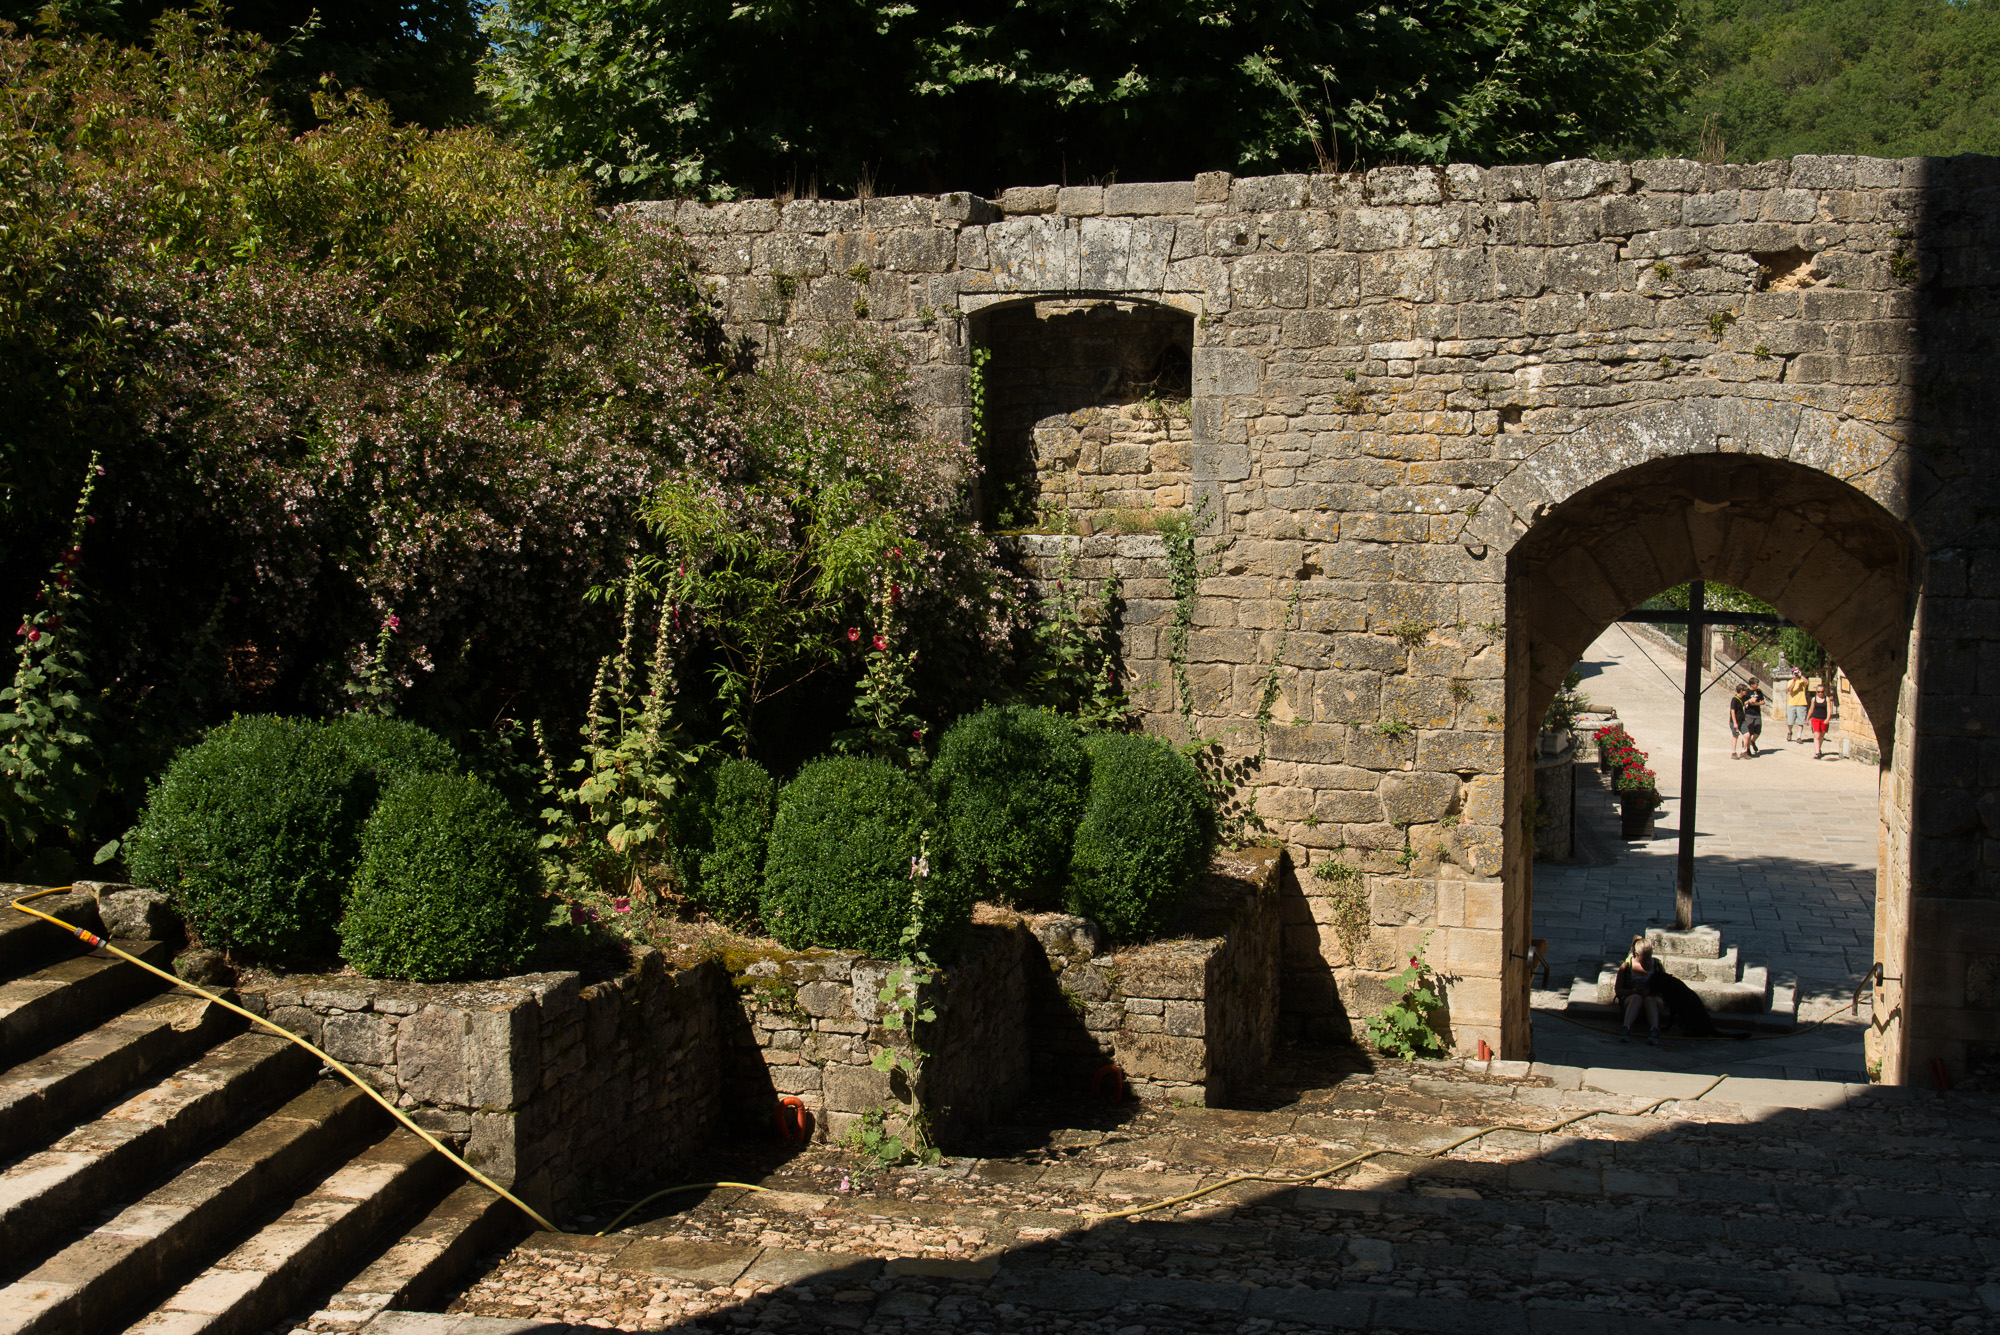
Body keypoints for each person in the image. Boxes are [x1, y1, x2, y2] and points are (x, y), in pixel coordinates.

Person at [1615, 936, 1667, 1045]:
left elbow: (1665, 987)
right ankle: (1626, 1028)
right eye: (1644, 958)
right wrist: (1632, 991)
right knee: (1636, 998)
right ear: (1637, 954)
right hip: (1632, 999)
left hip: (1653, 1000)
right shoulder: (1627, 966)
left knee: (1649, 999)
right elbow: (1618, 990)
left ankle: (1654, 1029)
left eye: (1649, 957)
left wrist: (1651, 991)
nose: (1647, 961)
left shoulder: (1657, 965)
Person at [1786, 667, 1811, 742]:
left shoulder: (1802, 681)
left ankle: (1798, 737)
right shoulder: (1790, 681)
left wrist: (1801, 676)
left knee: (1801, 721)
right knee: (1790, 721)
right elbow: (1790, 689)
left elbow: (1807, 683)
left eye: (1796, 672)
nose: (1796, 674)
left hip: (1801, 703)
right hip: (1792, 703)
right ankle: (1789, 731)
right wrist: (1794, 680)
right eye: (1794, 672)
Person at [1742, 681, 1765, 757]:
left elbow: (1763, 701)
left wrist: (1756, 704)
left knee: (1758, 730)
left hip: (1757, 713)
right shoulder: (1747, 692)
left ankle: (1753, 741)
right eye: (1756, 684)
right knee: (1749, 731)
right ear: (1752, 684)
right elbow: (1743, 703)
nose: (1757, 685)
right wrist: (1749, 702)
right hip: (1749, 713)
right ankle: (1747, 749)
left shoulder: (1759, 692)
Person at [1809, 684, 1831, 758]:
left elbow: (1829, 710)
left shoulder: (1827, 699)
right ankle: (1817, 752)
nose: (1820, 693)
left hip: (1823, 719)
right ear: (1816, 692)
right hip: (1815, 719)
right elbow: (1811, 709)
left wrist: (1827, 719)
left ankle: (1818, 748)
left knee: (1821, 736)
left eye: (1822, 692)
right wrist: (1807, 718)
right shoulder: (1814, 699)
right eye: (1818, 692)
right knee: (1817, 736)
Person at [1728, 685, 1748, 759]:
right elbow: (1732, 711)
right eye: (1745, 690)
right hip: (1735, 721)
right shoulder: (1734, 699)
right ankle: (1733, 752)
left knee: (1747, 735)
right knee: (1735, 736)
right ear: (1741, 691)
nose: (1746, 691)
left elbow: (1742, 706)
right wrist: (1735, 722)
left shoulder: (1742, 698)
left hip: (1742, 720)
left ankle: (1743, 751)